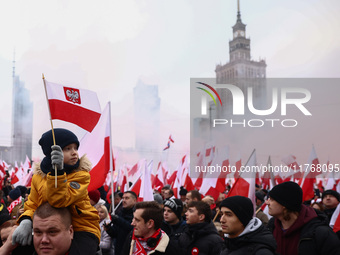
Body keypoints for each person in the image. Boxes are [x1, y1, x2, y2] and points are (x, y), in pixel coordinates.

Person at [12, 128, 100, 255]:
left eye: (75, 148)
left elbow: (60, 201)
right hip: (48, 230)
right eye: (67, 149)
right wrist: (26, 221)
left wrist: (58, 172)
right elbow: (32, 204)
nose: (74, 153)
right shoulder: (38, 176)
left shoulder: (81, 175)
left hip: (83, 227)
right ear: (51, 153)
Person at [266, 181, 340, 255]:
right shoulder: (271, 227)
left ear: (284, 204)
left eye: (272, 199)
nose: (267, 202)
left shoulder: (321, 234)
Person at [105, 191, 137, 255]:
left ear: (134, 200)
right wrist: (109, 229)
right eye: (123, 198)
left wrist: (118, 220)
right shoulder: (121, 212)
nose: (124, 200)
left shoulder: (136, 214)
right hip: (119, 249)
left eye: (127, 198)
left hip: (130, 249)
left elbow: (132, 229)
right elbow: (116, 233)